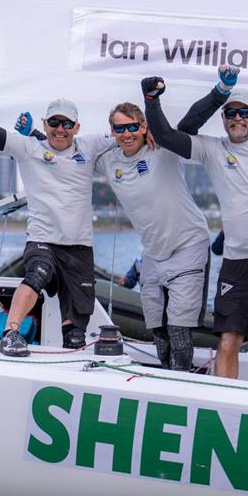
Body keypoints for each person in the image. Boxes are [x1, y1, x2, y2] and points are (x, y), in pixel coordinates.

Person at [144, 67, 248, 385]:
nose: (237, 118)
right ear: (224, 117)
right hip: (237, 262)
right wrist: (155, 101)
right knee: (228, 342)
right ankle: (226, 408)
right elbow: (170, 135)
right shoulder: (214, 149)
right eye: (231, 113)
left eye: (244, 112)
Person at [0, 77, 111, 357]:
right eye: (54, 123)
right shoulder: (28, 148)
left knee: (77, 330)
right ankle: (11, 333)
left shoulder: (89, 147)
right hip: (43, 239)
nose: (60, 129)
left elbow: (127, 138)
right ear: (45, 124)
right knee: (37, 274)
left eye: (67, 124)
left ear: (76, 128)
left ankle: (71, 358)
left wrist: (147, 129)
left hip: (80, 246)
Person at [93, 101, 215, 371]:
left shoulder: (162, 148)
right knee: (158, 332)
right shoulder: (108, 160)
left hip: (189, 245)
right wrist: (36, 136)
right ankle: (166, 381)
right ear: (111, 131)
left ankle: (181, 381)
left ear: (144, 126)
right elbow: (71, 152)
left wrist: (219, 94)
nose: (127, 134)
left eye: (133, 127)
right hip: (152, 253)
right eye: (119, 128)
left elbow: (190, 124)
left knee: (178, 329)